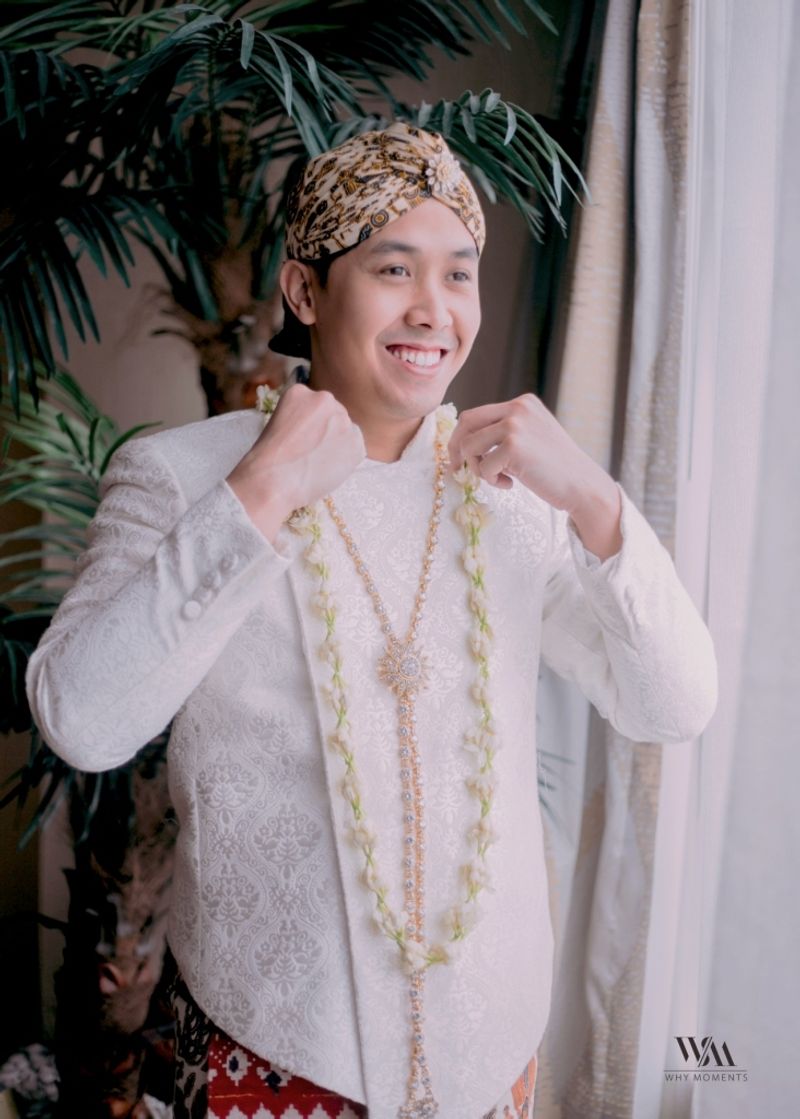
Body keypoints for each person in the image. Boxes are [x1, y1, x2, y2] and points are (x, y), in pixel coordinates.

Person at [26, 122, 718, 1119]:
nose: (433, 308)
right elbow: (81, 720)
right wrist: (259, 491)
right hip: (263, 1047)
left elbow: (673, 704)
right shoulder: (180, 476)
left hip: (488, 1062)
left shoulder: (517, 496)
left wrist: (594, 502)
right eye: (394, 269)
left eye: (458, 274)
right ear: (305, 292)